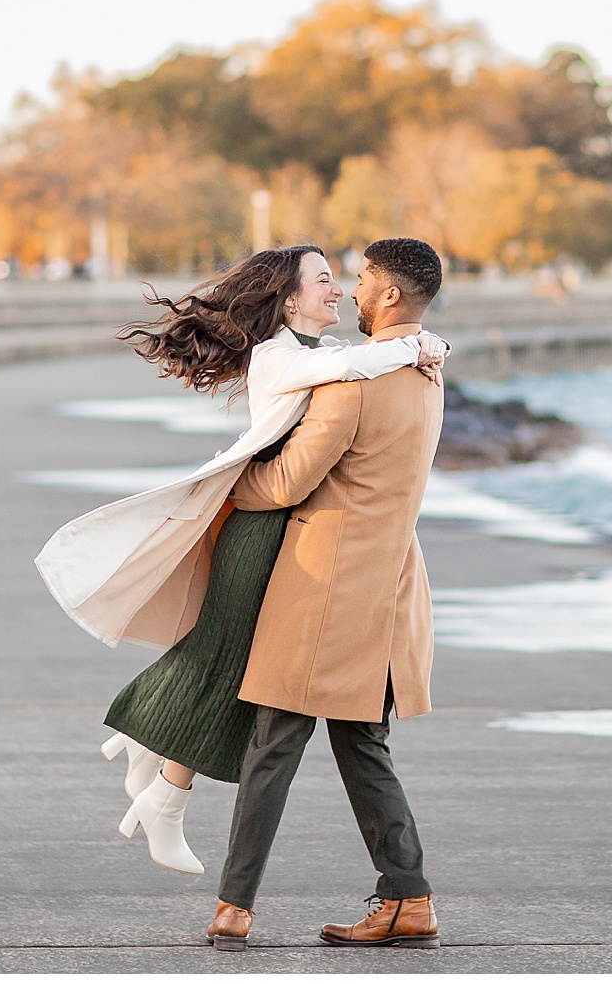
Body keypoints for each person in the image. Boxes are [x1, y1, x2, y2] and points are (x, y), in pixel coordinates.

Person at [33, 244, 447, 875]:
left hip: (283, 528)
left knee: (227, 656)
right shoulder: (279, 356)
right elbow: (362, 365)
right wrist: (421, 346)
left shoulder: (317, 354)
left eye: (345, 278)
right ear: (289, 299)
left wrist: (425, 344)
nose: (339, 289)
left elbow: (356, 361)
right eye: (324, 280)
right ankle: (160, 780)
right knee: (231, 662)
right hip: (259, 525)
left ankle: (158, 771)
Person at [203, 237, 447, 953]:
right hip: (392, 585)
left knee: (274, 744)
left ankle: (234, 908)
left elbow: (287, 482)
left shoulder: (353, 383)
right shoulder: (429, 371)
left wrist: (221, 487)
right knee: (363, 743)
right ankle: (409, 899)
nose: (353, 291)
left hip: (326, 588)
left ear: (391, 295)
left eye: (363, 279)